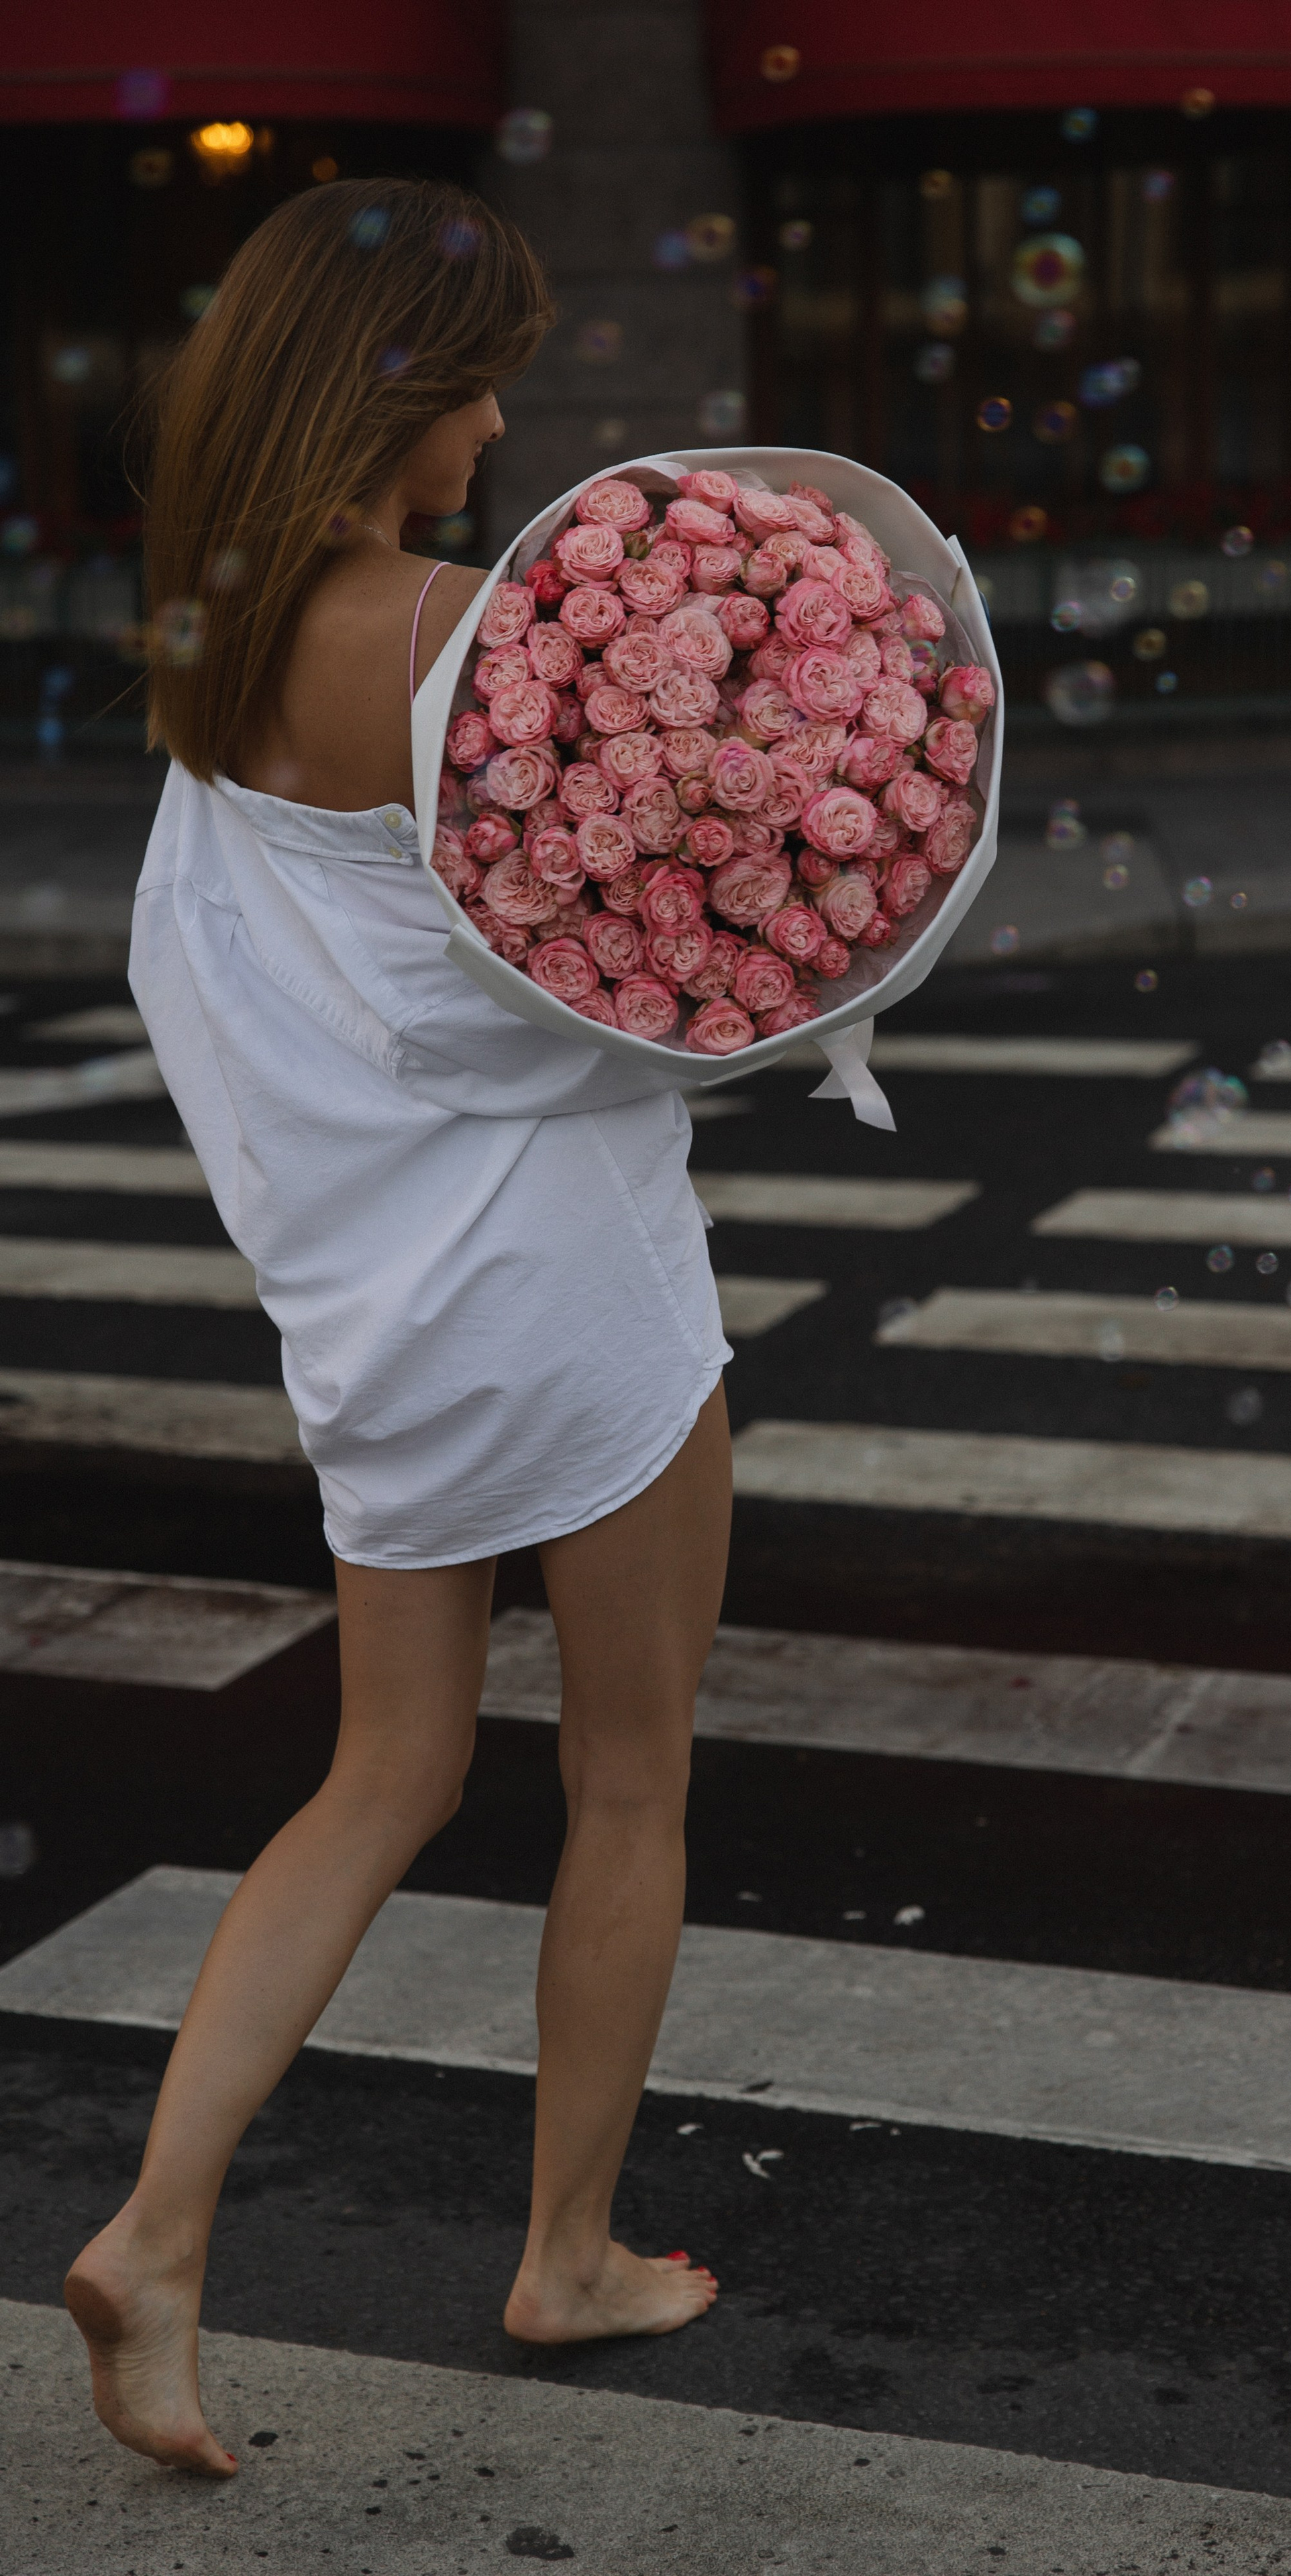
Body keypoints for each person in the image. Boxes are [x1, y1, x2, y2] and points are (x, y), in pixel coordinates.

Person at [63, 176, 729, 2478]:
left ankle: (157, 2235)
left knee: (382, 1773)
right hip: (559, 1274)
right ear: (396, 398)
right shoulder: (471, 633)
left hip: (374, 1301)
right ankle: (568, 2253)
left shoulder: (219, 640)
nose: (507, 418)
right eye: (482, 378)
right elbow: (635, 930)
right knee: (625, 1777)